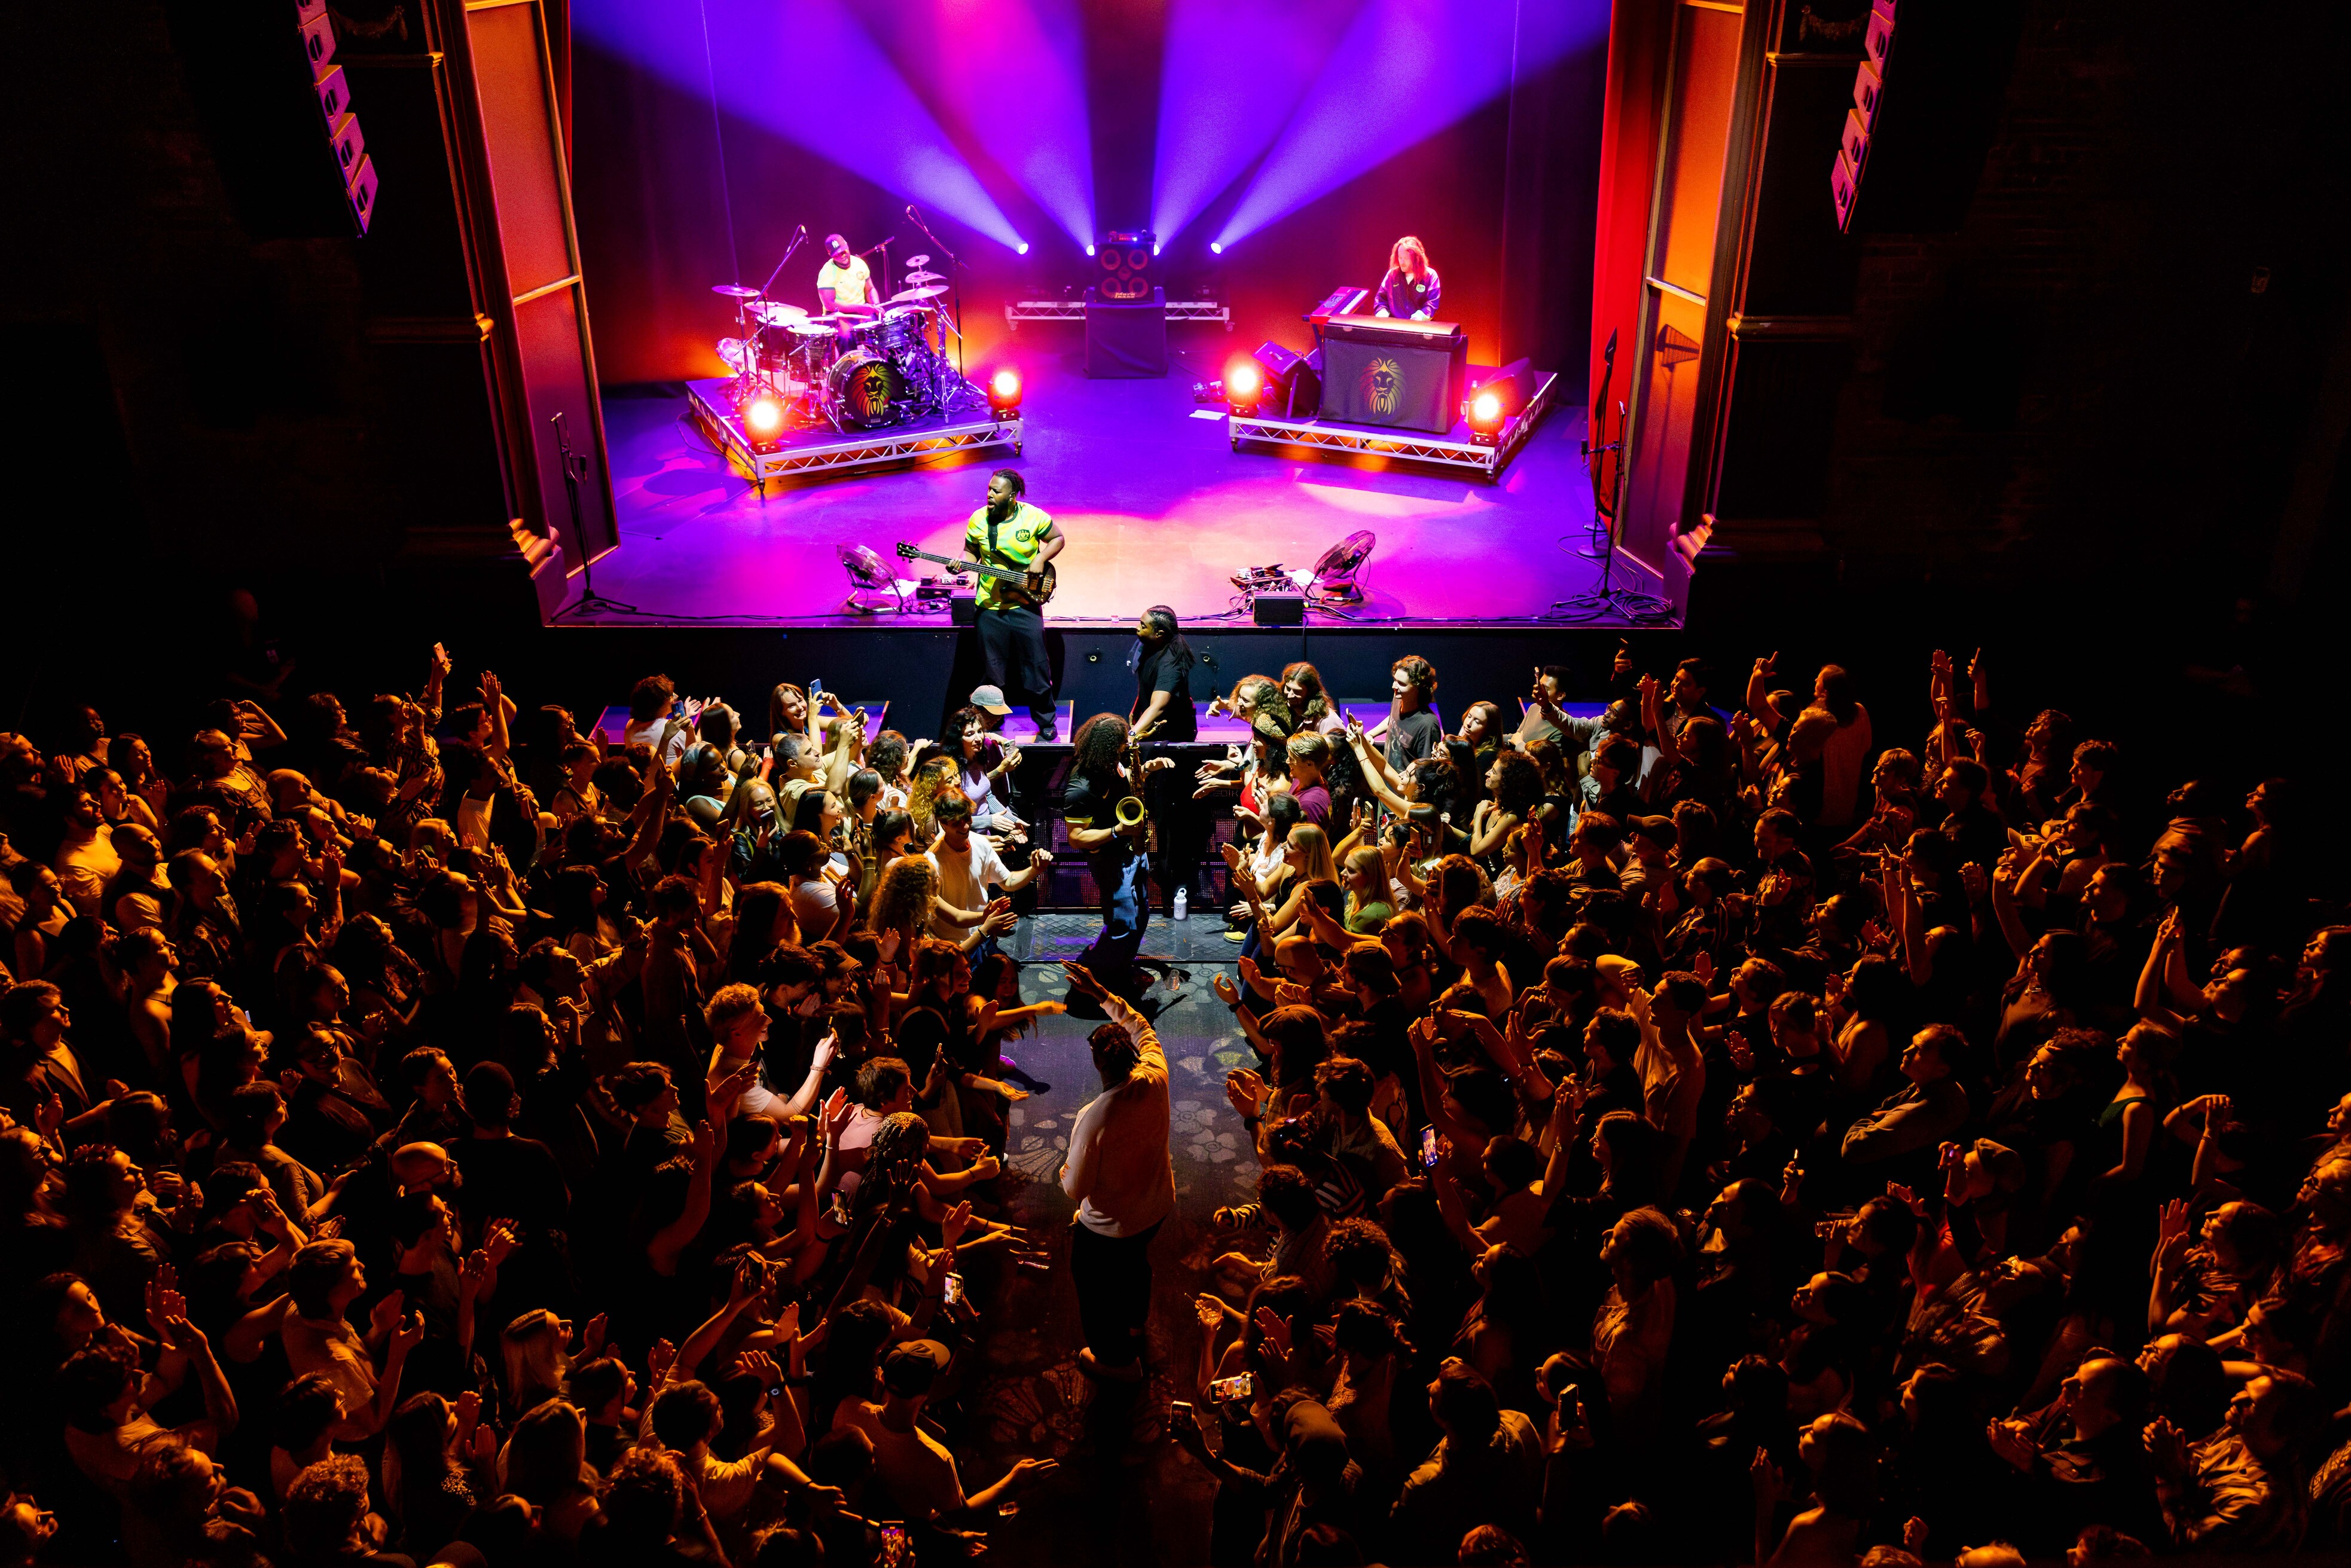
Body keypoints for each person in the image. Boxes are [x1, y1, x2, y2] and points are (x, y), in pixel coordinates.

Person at [1057, 962, 1174, 1384]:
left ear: (1096, 1063)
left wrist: (1064, 1170)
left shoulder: (1095, 1117)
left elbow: (1076, 1188)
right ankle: (1136, 1325)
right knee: (1136, 1267)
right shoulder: (1156, 1073)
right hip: (1156, 1207)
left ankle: (1115, 1361)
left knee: (1095, 1290)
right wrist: (1101, 992)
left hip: (1110, 1228)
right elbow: (1140, 1024)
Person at [1060, 713, 1170, 1003]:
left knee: (1141, 915)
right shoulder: (1081, 787)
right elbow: (1076, 838)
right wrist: (1118, 830)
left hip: (1132, 849)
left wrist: (1145, 770)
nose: (1127, 746)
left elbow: (1128, 782)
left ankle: (1119, 967)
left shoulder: (1113, 764)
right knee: (1123, 924)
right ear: (1107, 747)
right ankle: (1092, 973)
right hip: (1109, 861)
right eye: (1122, 742)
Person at [963, 470, 1063, 741]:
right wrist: (961, 562)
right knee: (993, 673)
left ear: (1012, 495)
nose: (989, 494)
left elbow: (1058, 538)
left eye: (996, 491)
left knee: (1037, 668)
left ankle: (1046, 721)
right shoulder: (979, 519)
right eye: (989, 489)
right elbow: (970, 551)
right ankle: (990, 723)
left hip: (1024, 604)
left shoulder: (1032, 516)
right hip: (990, 606)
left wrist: (1040, 558)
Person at [814, 233, 882, 331]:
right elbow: (829, 304)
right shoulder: (826, 272)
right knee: (847, 335)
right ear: (830, 255)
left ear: (847, 246)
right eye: (836, 255)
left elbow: (870, 289)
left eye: (843, 252)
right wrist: (860, 308)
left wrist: (876, 306)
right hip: (839, 315)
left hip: (861, 312)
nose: (841, 256)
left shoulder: (860, 264)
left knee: (879, 329)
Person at [1374, 236, 1443, 321]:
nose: (1402, 262)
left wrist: (1419, 317)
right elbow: (1381, 300)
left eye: (1406, 258)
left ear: (1416, 258)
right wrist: (1382, 314)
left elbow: (1432, 303)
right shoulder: (1391, 275)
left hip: (1420, 326)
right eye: (1400, 258)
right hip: (1394, 326)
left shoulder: (1430, 275)